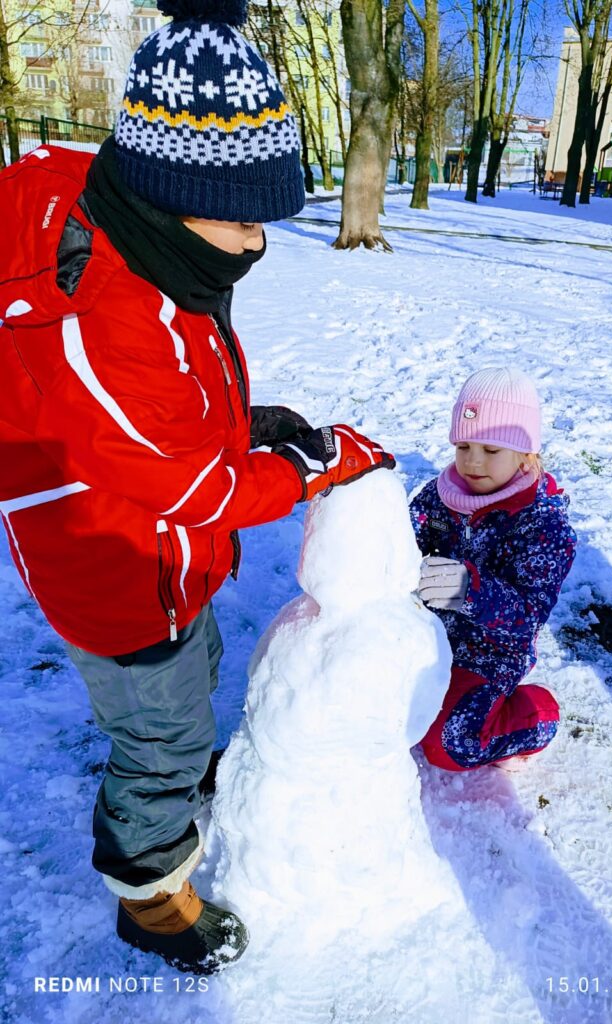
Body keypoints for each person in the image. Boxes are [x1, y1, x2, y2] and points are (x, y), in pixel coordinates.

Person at [0, 0, 393, 975]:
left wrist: (244, 426)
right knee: (161, 731)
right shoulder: (114, 327)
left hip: (146, 541)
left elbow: (163, 433)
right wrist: (313, 461)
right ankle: (150, 887)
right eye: (243, 218)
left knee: (194, 661)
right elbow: (201, 490)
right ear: (168, 189)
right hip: (117, 574)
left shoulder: (147, 248)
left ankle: (170, 768)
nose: (259, 243)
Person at [409, 368, 576, 771]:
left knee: (450, 744)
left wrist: (470, 591)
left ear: (525, 453)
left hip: (489, 651)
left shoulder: (542, 523)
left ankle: (537, 714)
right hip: (425, 632)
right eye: (463, 445)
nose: (472, 460)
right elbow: (406, 536)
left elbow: (528, 613)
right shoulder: (441, 494)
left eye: (491, 449)